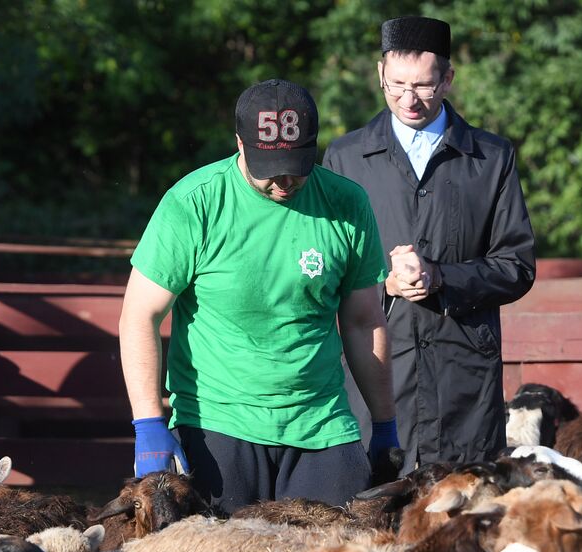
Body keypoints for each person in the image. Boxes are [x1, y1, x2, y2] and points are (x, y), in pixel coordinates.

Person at [119, 78, 399, 513]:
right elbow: (140, 315)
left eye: (297, 165)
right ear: (239, 144)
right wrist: (149, 423)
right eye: (271, 169)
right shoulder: (195, 203)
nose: (285, 181)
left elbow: (364, 321)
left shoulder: (346, 204)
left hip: (320, 420)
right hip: (219, 421)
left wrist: (384, 424)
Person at [323, 16, 536, 471]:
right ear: (380, 74)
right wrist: (385, 283)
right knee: (372, 507)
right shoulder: (345, 158)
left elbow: (516, 265)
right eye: (396, 84)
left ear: (448, 79)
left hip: (463, 372)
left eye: (423, 85)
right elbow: (326, 266)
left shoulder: (491, 157)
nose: (408, 98)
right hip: (376, 362)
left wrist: (441, 276)